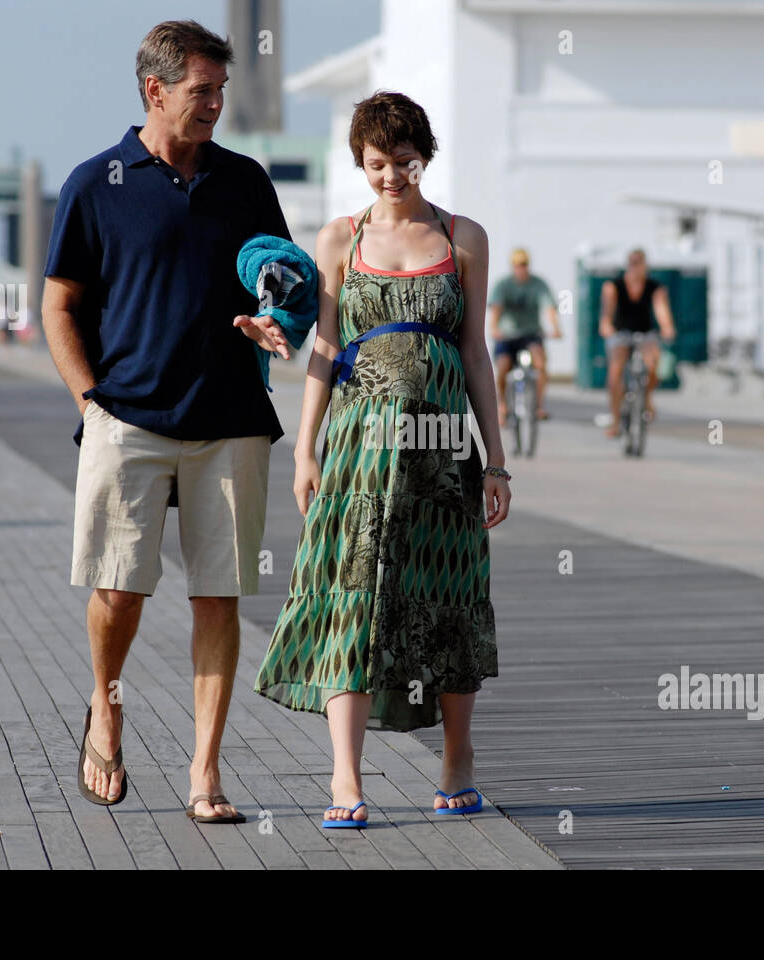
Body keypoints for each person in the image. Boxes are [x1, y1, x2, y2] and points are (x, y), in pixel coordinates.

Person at [41, 19, 293, 819]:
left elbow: (280, 279)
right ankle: (106, 705)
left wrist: (273, 318)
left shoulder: (246, 181)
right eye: (202, 90)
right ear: (155, 90)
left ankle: (205, 774)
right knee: (119, 590)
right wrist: (89, 402)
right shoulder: (95, 184)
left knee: (219, 596)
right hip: (128, 418)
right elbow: (58, 305)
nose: (217, 103)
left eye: (221, 90)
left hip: (232, 419)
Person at [254, 91, 508, 828]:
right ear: (359, 164)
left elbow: (475, 353)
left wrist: (496, 461)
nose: (391, 176)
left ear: (425, 157)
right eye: (376, 164)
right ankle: (345, 778)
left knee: (449, 595)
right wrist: (304, 450)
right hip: (359, 455)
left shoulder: (463, 237)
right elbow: (325, 348)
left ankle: (456, 759)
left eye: (404, 161)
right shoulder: (339, 239)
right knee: (354, 596)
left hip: (443, 452)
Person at [600, 248, 676, 433]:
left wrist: (667, 327)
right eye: (632, 263)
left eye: (639, 263)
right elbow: (607, 312)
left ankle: (647, 397)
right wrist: (606, 326)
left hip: (645, 333)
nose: (635, 267)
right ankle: (616, 420)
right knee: (615, 372)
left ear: (645, 265)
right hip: (621, 333)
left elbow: (661, 310)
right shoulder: (614, 286)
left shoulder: (654, 287)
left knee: (654, 362)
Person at [489, 248, 561, 422]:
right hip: (507, 335)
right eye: (517, 265)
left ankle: (539, 405)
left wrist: (555, 328)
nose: (521, 268)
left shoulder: (538, 284)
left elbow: (549, 308)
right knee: (503, 366)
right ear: (512, 266)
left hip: (530, 334)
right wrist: (494, 328)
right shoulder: (503, 285)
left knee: (540, 362)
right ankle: (502, 405)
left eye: (524, 265)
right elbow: (496, 308)